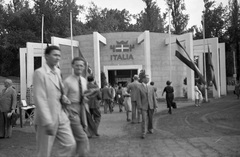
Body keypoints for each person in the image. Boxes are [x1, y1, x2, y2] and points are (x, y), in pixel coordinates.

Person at [32, 45, 76, 157]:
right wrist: (47, 121)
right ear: (46, 56)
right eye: (55, 55)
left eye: (59, 55)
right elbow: (39, 98)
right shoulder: (40, 73)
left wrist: (63, 97)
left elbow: (58, 89)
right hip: (45, 117)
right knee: (44, 152)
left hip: (60, 114)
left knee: (70, 144)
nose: (58, 58)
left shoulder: (57, 71)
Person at [63, 57, 90, 156]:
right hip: (71, 110)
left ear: (84, 67)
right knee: (82, 137)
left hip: (82, 109)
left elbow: (84, 95)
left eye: (81, 65)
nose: (79, 67)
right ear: (72, 66)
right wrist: (65, 100)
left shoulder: (83, 80)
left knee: (76, 137)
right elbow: (62, 96)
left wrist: (86, 99)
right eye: (77, 65)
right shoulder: (67, 81)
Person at [138, 75, 158, 139]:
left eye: (149, 78)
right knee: (144, 119)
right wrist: (139, 107)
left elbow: (153, 97)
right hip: (143, 106)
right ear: (143, 79)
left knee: (151, 118)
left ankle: (150, 128)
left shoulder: (151, 87)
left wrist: (156, 106)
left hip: (151, 105)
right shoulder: (139, 87)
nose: (148, 79)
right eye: (147, 78)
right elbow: (138, 98)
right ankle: (143, 132)